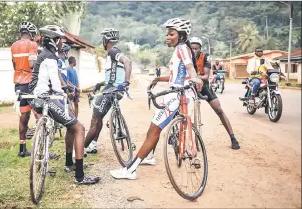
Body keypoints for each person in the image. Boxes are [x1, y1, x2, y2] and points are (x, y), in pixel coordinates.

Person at [109, 17, 204, 179]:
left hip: (176, 97)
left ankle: (130, 170)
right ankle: (149, 157)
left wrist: (195, 78)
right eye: (167, 34)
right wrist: (157, 79)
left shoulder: (182, 49)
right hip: (177, 94)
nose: (167, 37)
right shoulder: (180, 49)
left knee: (153, 131)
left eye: (171, 34)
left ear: (180, 35)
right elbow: (177, 76)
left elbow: (190, 69)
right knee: (152, 130)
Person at [28, 25, 99, 184]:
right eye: (61, 40)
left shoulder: (43, 54)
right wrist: (66, 97)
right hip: (47, 99)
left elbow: (56, 78)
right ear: (55, 41)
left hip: (35, 98)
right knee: (79, 128)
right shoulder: (51, 58)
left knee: (70, 124)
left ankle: (68, 163)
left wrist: (67, 89)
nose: (62, 43)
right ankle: (80, 176)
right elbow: (55, 82)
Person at [84, 28, 132, 154]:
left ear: (106, 40)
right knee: (99, 117)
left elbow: (127, 62)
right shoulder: (114, 54)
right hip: (115, 90)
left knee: (95, 119)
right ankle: (93, 144)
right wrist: (100, 83)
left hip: (111, 91)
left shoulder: (112, 51)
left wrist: (127, 81)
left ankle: (79, 149)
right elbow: (114, 77)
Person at [189, 36, 240, 150]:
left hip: (203, 84)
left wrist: (195, 77)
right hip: (189, 84)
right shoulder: (185, 57)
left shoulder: (205, 57)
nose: (194, 51)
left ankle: (232, 138)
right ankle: (174, 133)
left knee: (219, 109)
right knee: (179, 106)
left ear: (200, 48)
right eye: (192, 48)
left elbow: (206, 76)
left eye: (196, 48)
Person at [11, 21, 38, 157]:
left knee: (24, 117)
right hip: (30, 84)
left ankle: (22, 149)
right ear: (31, 34)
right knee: (39, 114)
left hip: (18, 84)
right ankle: (41, 147)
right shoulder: (32, 44)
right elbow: (32, 64)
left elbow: (14, 64)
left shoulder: (13, 46)